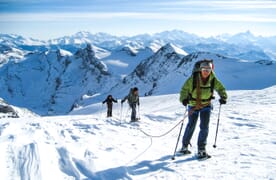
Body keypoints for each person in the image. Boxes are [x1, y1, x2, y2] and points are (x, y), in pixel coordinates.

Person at [179, 60, 227, 158]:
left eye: (208, 69)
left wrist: (223, 96)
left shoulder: (213, 79)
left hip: (206, 105)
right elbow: (184, 89)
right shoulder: (193, 78)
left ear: (211, 70)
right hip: (193, 105)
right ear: (201, 69)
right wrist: (183, 99)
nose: (206, 71)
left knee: (204, 127)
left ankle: (201, 149)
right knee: (191, 125)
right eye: (204, 69)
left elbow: (220, 88)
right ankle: (184, 146)